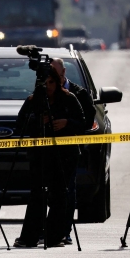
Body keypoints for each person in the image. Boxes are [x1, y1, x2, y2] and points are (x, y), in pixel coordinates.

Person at [14, 67, 86, 248]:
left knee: (60, 194)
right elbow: (19, 125)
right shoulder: (32, 101)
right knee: (37, 194)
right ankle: (29, 237)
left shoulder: (69, 99)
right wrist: (37, 121)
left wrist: (66, 123)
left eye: (51, 82)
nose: (48, 87)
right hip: (40, 154)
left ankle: (55, 236)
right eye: (45, 83)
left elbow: (83, 123)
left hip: (65, 155)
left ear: (58, 81)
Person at [50, 58, 95, 245]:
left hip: (70, 149)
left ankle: (64, 230)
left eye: (57, 76)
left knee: (68, 190)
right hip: (49, 150)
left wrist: (68, 123)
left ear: (64, 73)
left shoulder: (78, 94)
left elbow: (87, 122)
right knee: (52, 191)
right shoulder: (45, 93)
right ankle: (49, 228)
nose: (54, 80)